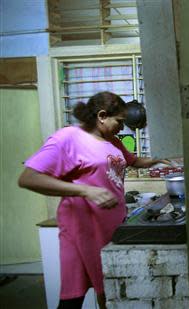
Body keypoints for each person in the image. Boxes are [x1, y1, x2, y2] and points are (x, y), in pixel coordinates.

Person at [18, 91, 171, 309]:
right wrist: (85, 191)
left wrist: (156, 161)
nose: (122, 127)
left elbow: (133, 161)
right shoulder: (68, 137)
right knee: (84, 293)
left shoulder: (112, 140)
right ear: (101, 115)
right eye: (119, 121)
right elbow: (29, 178)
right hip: (83, 227)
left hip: (109, 225)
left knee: (105, 289)